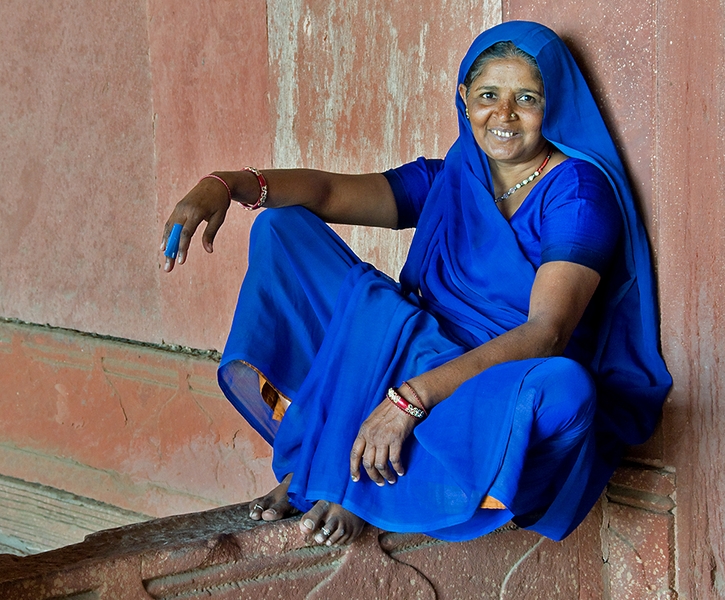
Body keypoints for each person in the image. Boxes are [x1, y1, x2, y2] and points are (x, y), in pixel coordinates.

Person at [161, 20, 671, 546]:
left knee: (567, 392)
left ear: (554, 104)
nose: (504, 115)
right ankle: (341, 462)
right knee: (283, 228)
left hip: (486, 378)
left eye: (527, 98)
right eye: (489, 95)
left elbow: (546, 333)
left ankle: (349, 476)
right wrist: (226, 184)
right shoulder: (454, 175)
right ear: (464, 97)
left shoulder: (579, 193)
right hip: (412, 353)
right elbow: (329, 192)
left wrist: (409, 400)